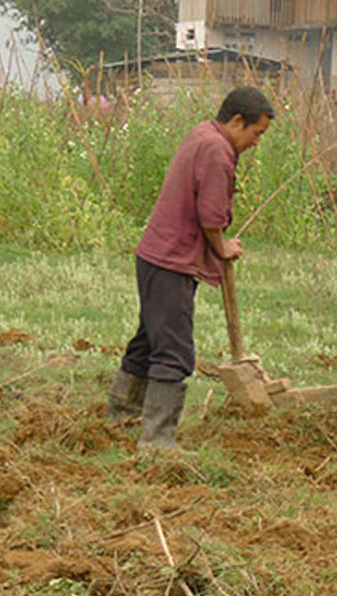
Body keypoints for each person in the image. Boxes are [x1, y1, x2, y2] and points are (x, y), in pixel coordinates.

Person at [106, 86, 275, 450]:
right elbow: (211, 216)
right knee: (174, 351)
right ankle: (157, 440)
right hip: (172, 260)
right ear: (236, 121)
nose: (256, 142)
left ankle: (122, 416)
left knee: (149, 339)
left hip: (155, 254)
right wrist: (222, 249)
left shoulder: (203, 133)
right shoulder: (218, 151)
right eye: (256, 133)